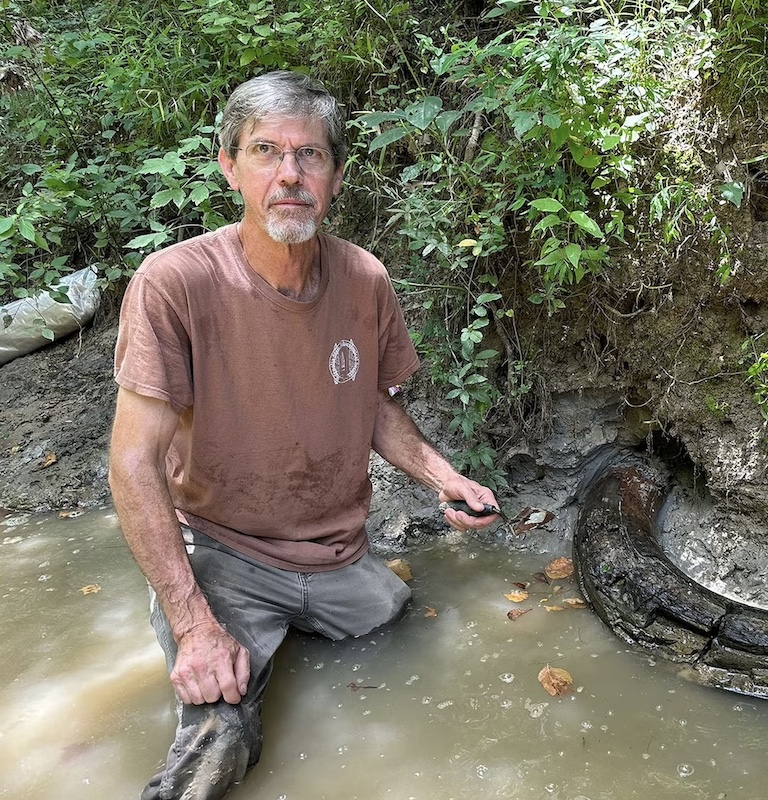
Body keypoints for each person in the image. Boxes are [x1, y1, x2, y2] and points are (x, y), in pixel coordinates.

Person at [107, 70, 500, 800]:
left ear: (337, 175)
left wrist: (445, 478)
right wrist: (195, 624)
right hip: (223, 552)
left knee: (401, 632)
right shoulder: (174, 282)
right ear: (230, 166)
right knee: (220, 732)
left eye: (310, 155)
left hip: (338, 555)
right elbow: (131, 462)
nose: (290, 174)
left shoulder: (364, 278)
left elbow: (375, 406)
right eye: (266, 151)